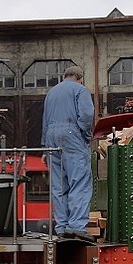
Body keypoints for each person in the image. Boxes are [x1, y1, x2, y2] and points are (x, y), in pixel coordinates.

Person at [41, 65, 95, 241]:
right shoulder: (80, 90)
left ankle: (62, 226)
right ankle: (77, 226)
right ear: (80, 77)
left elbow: (45, 120)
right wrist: (86, 136)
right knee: (79, 181)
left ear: (64, 76)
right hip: (72, 134)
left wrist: (44, 147)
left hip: (51, 137)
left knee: (59, 185)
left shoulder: (52, 93)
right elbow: (87, 115)